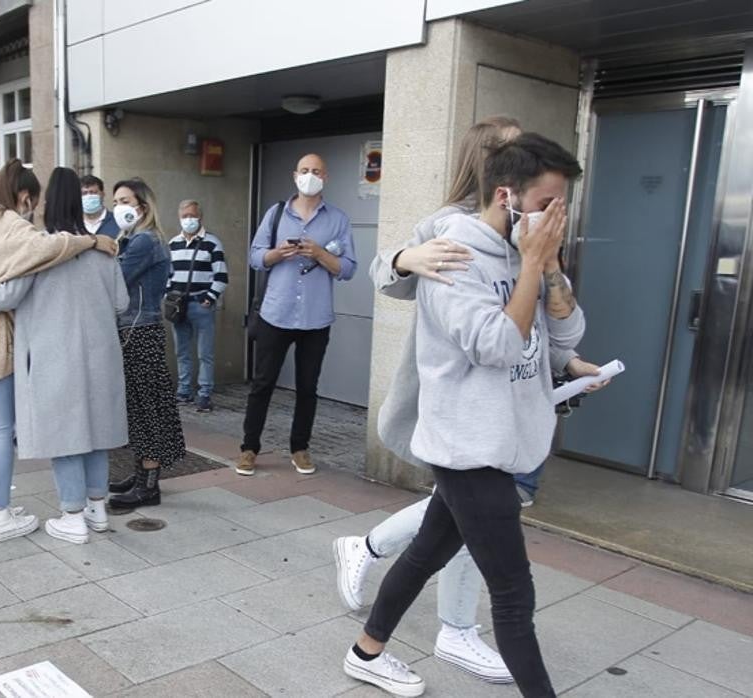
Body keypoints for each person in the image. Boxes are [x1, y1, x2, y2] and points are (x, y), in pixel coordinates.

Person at [334, 118, 608, 685]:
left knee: (426, 553)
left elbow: (563, 334)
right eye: (547, 203)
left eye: (563, 204)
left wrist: (548, 269)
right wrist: (533, 264)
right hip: (467, 447)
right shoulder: (453, 254)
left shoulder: (524, 254)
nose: (557, 216)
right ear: (506, 196)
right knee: (514, 593)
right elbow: (496, 346)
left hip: (509, 439)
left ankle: (364, 653)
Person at [0, 159, 117, 542]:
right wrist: (91, 242)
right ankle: (85, 510)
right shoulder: (96, 250)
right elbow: (116, 300)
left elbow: (8, 291)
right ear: (24, 195)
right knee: (84, 432)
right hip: (74, 350)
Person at [236, 154, 358, 477]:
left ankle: (300, 448)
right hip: (275, 313)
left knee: (308, 387)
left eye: (316, 171)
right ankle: (249, 448)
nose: (310, 176)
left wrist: (320, 253)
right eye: (304, 171)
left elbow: (348, 269)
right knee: (262, 384)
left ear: (325, 177)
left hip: (315, 318)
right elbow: (255, 256)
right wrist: (278, 254)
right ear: (294, 176)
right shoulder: (276, 213)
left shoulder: (338, 219)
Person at [106, 178, 186, 510]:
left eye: (126, 200)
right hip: (136, 330)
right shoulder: (133, 239)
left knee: (146, 409)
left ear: (143, 205)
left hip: (140, 332)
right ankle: (141, 473)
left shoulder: (143, 241)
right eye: (116, 201)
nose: (119, 207)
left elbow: (113, 279)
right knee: (138, 408)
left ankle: (148, 486)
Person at [167, 199, 228, 413]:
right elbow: (167, 274)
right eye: (185, 216)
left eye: (192, 216)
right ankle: (184, 391)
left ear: (200, 217)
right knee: (182, 352)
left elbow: (221, 275)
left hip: (201, 305)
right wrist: (169, 296)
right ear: (179, 218)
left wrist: (210, 298)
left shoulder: (212, 243)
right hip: (179, 307)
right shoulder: (173, 243)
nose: (189, 220)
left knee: (205, 353)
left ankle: (204, 394)